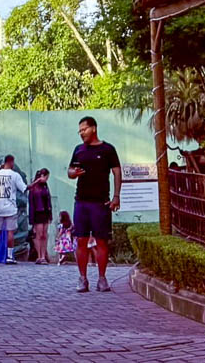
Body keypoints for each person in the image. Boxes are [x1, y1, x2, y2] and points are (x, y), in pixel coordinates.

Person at [67, 115, 121, 293]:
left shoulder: (108, 149)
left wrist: (116, 196)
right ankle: (82, 278)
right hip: (81, 201)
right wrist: (74, 173)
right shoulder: (79, 150)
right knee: (81, 240)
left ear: (93, 129)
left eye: (84, 129)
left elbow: (117, 172)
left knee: (101, 241)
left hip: (101, 203)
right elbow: (70, 171)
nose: (81, 133)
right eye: (79, 131)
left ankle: (102, 278)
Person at [0, 154, 26, 264]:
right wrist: (36, 182)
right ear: (11, 162)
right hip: (11, 208)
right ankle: (9, 256)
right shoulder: (15, 175)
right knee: (10, 232)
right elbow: (24, 188)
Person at [28, 169, 53, 263]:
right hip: (38, 212)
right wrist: (32, 219)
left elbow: (48, 199)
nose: (46, 179)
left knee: (45, 234)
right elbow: (31, 203)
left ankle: (43, 255)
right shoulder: (34, 187)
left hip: (46, 212)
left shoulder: (45, 186)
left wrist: (50, 214)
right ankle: (39, 256)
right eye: (46, 177)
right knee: (39, 234)